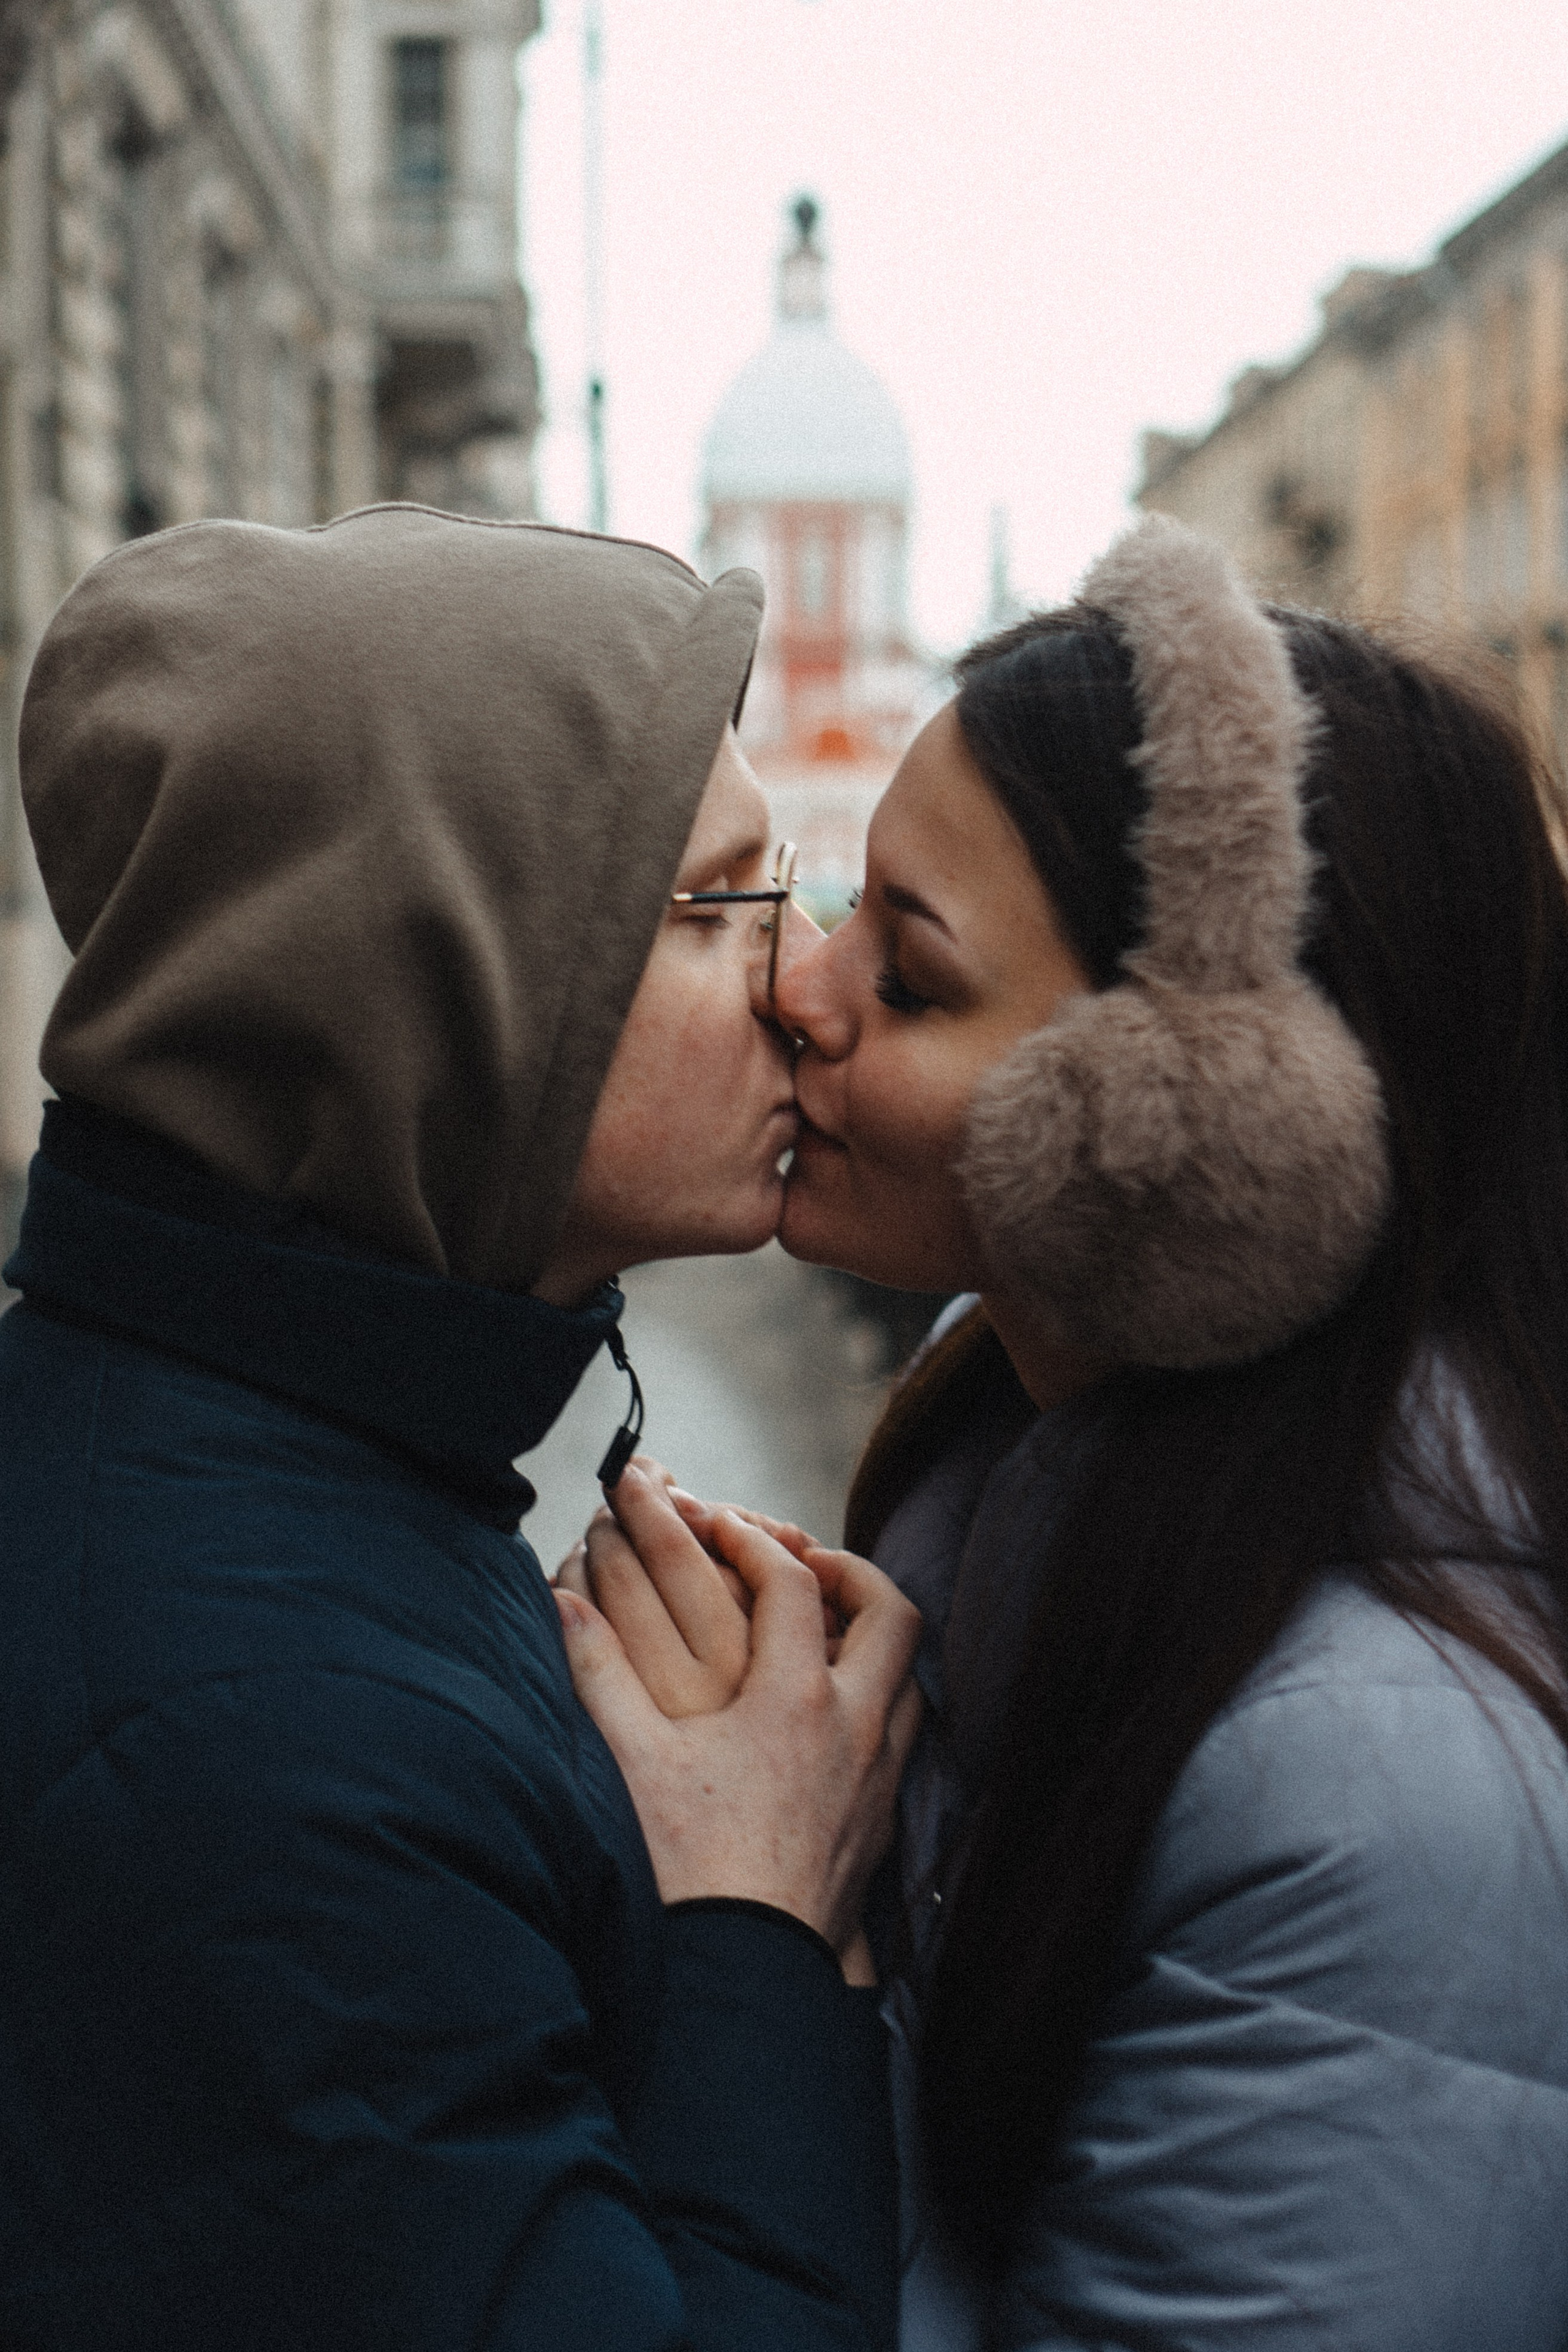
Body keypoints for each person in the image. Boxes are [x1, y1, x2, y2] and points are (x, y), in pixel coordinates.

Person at [562, 516, 1568, 2350]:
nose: (800, 983)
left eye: (916, 973)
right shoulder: (1023, 1501)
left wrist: (759, 1938)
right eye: (836, 900)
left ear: (1208, 1132)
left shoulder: (1388, 1808)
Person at [0, 503, 921, 2352]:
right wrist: (754, 1915)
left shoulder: (293, 1459)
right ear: (453, 988)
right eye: (725, 902)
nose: (807, 984)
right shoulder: (266, 1749)